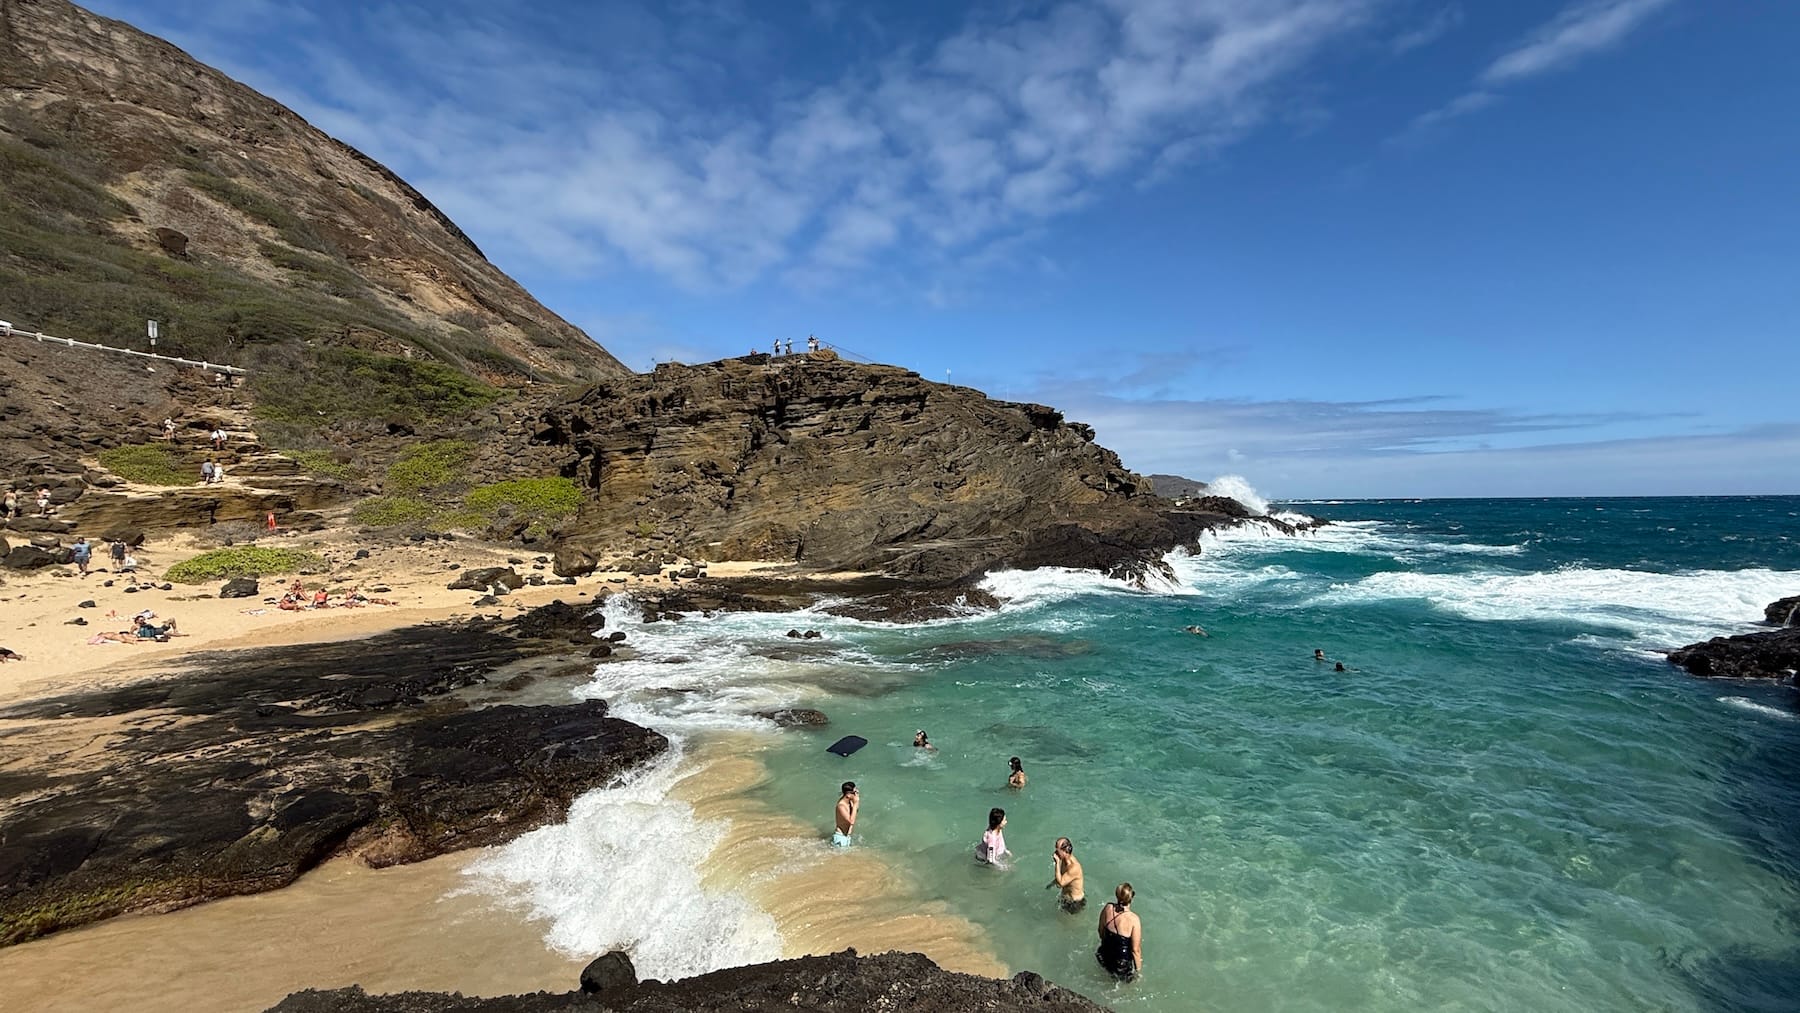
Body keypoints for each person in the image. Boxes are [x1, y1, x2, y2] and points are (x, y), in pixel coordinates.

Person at [1096, 883, 1143, 980]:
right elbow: (1135, 950)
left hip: (1104, 955)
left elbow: (1100, 931)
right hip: (1121, 965)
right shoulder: (1134, 919)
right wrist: (1138, 972)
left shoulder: (1108, 908)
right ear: (1131, 897)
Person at [1048, 837, 1085, 913]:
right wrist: (1051, 884)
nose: (1055, 853)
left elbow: (1060, 883)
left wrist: (1057, 863)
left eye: (1057, 850)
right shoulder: (1065, 860)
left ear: (1065, 851)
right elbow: (1062, 876)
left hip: (1074, 903)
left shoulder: (1073, 867)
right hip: (1066, 898)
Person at [833, 782, 859, 847]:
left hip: (847, 836)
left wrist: (856, 802)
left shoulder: (849, 802)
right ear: (849, 794)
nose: (856, 794)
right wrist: (856, 803)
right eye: (855, 792)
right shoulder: (841, 806)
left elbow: (855, 812)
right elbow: (851, 821)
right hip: (840, 837)